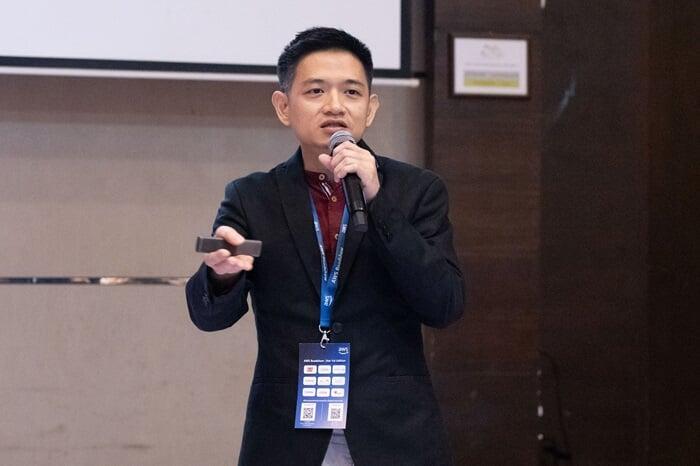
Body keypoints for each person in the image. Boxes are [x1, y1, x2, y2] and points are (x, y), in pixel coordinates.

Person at [186, 27, 465, 465]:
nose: (335, 105)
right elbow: (209, 317)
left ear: (371, 108)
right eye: (315, 91)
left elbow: (444, 304)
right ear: (284, 106)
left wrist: (378, 201)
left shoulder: (417, 191)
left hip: (394, 434)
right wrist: (221, 276)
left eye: (351, 92)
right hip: (286, 436)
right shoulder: (252, 197)